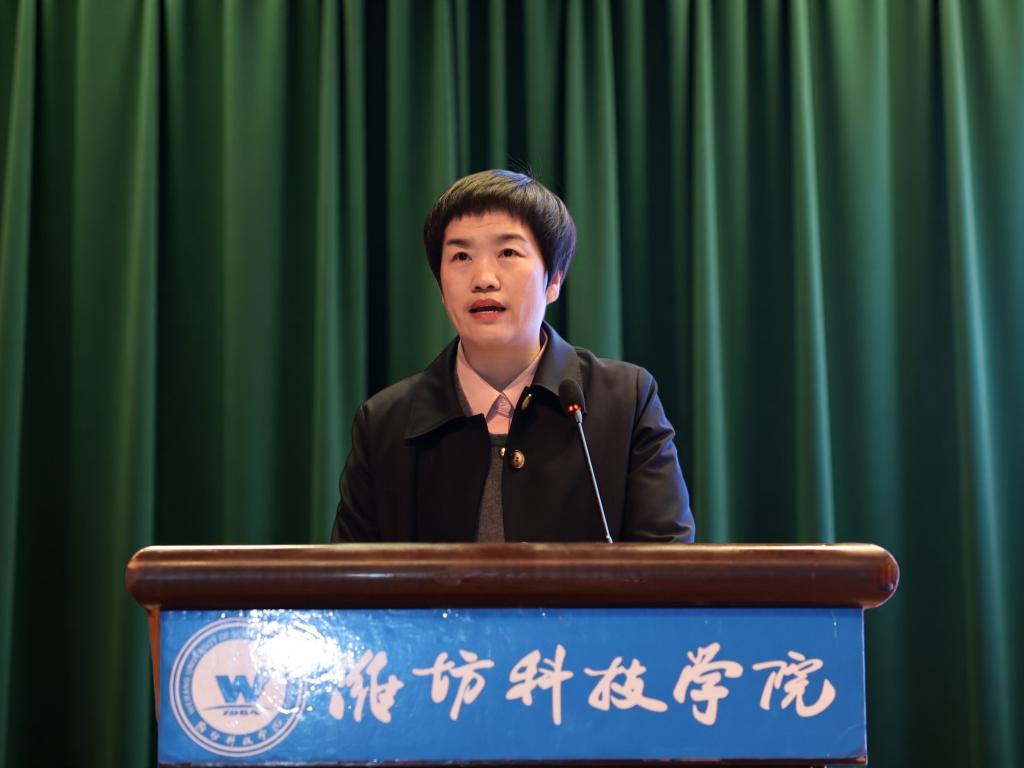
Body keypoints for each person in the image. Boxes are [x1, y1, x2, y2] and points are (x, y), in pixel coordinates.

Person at [331, 170, 694, 543]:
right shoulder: (385, 425)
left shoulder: (626, 402)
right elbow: (348, 575)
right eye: (461, 256)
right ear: (440, 286)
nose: (483, 278)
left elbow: (668, 562)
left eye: (508, 252)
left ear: (554, 279)